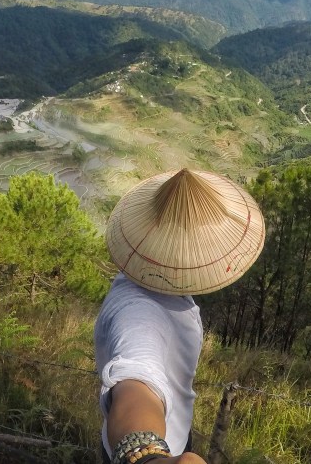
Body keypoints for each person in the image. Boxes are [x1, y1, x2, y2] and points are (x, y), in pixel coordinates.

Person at [94, 168, 265, 464]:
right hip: (155, 452)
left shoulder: (148, 279)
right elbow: (137, 376)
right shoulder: (139, 312)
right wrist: (149, 457)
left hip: (172, 438)